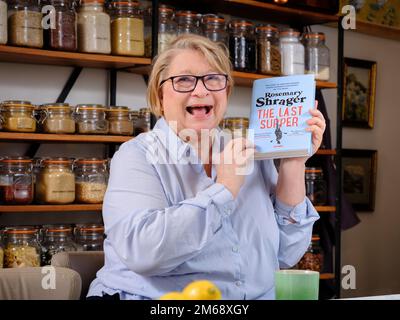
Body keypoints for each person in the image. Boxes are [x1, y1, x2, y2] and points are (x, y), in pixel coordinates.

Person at [87, 34, 325, 300]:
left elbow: (285, 255)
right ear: (159, 95)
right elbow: (145, 254)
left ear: (226, 91)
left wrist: (294, 163)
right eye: (184, 80)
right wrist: (224, 189)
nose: (201, 91)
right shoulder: (138, 156)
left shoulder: (251, 152)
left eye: (213, 79)